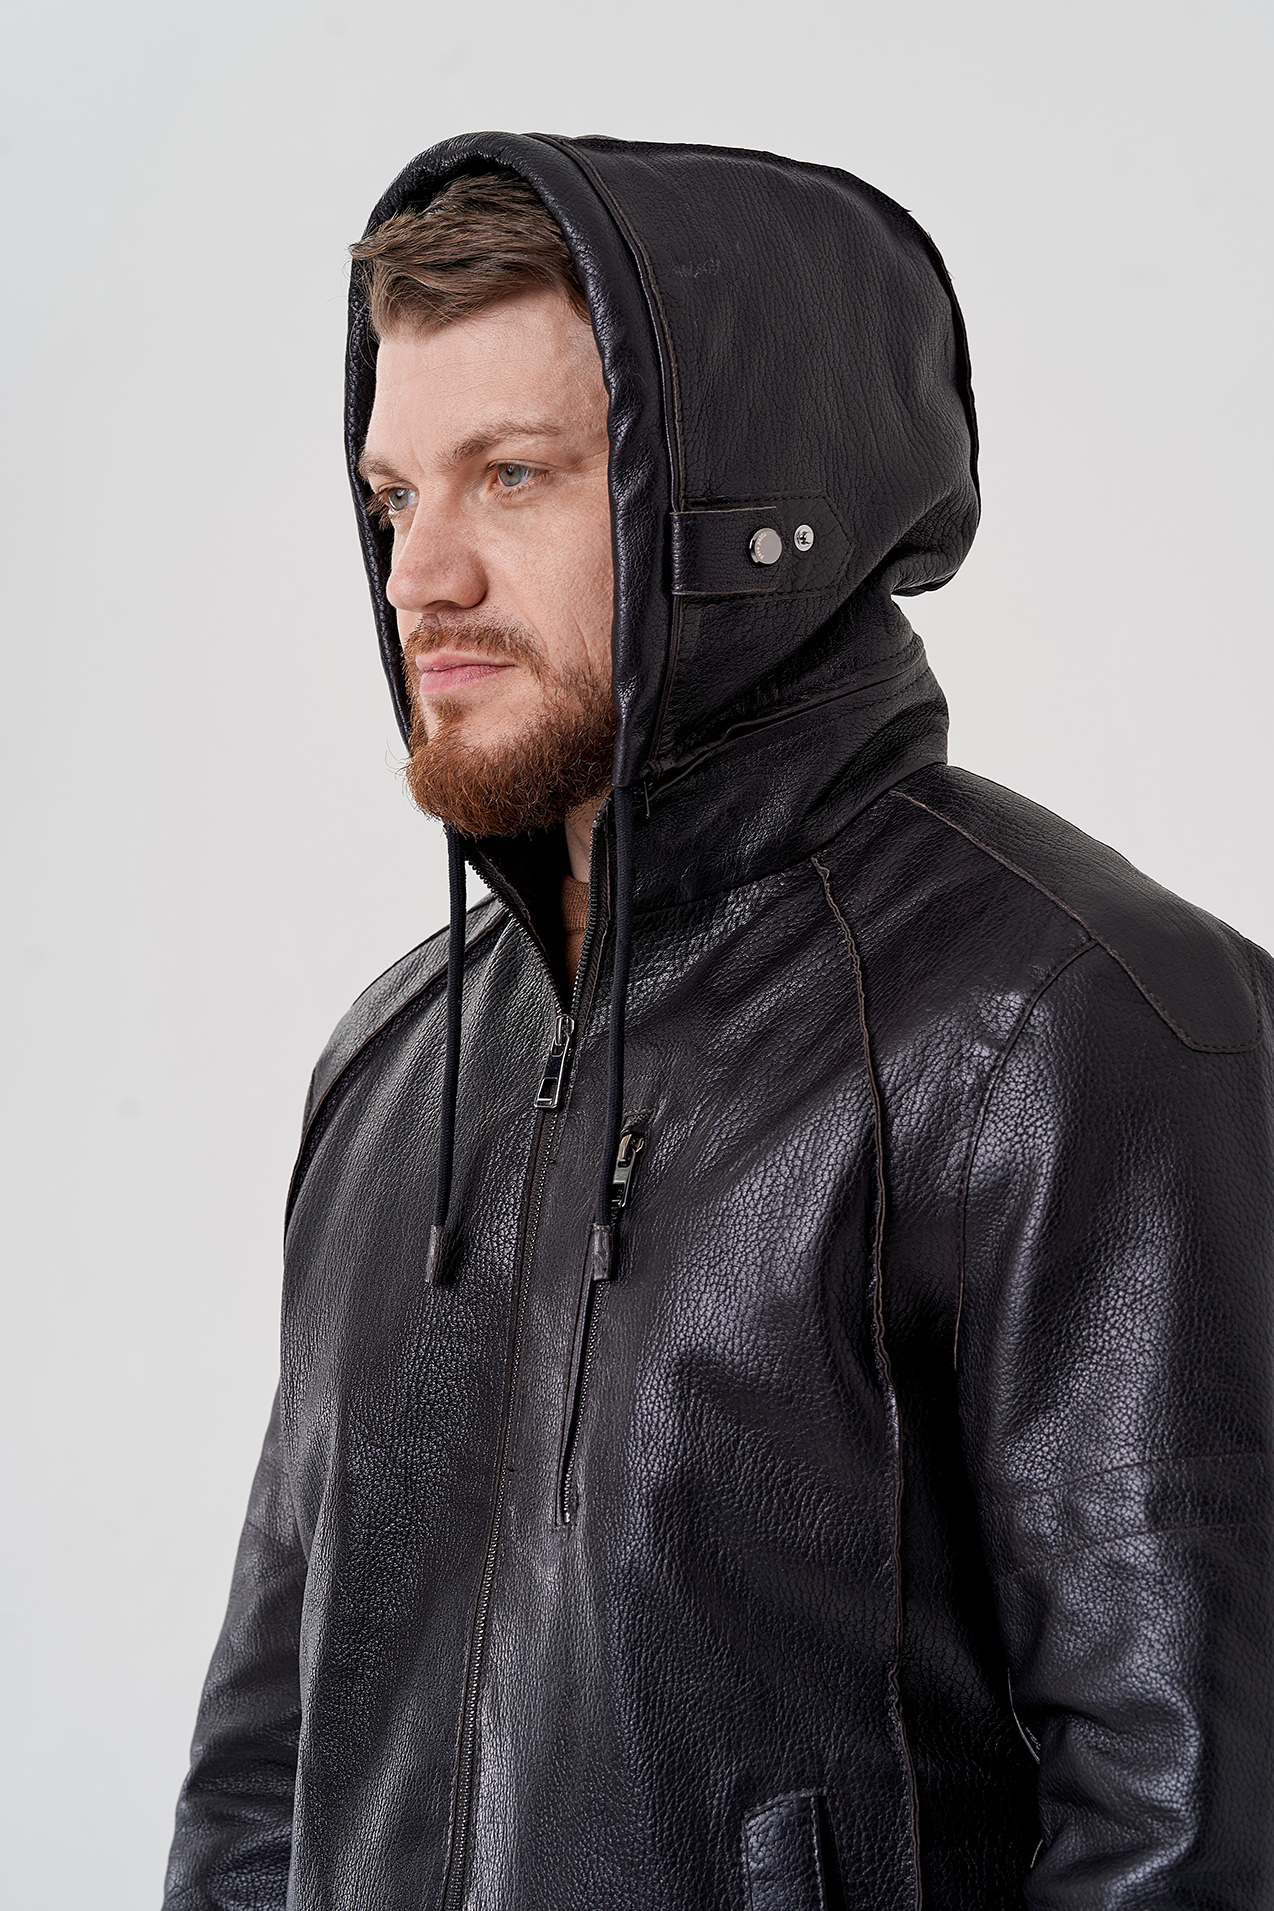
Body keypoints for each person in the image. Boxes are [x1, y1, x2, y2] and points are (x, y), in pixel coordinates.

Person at [163, 135, 1274, 1911]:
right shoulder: (395, 1063)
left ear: (751, 519)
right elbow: (261, 1781)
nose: (418, 577)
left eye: (510, 477)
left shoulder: (1068, 1031)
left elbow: (1190, 1825)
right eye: (391, 499)